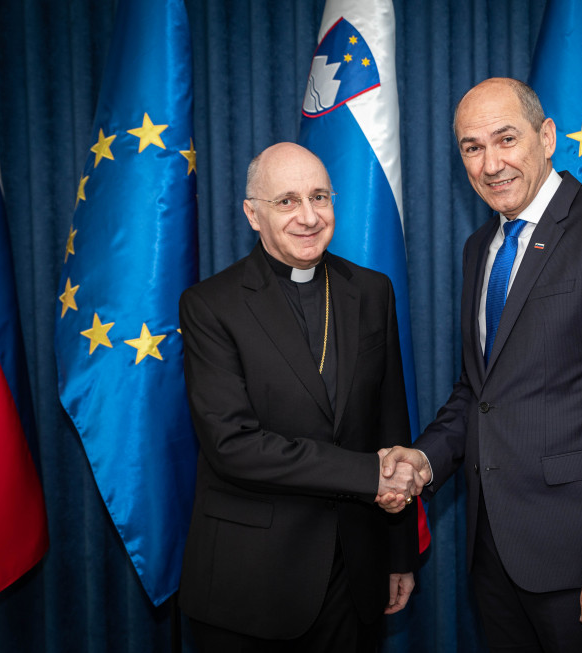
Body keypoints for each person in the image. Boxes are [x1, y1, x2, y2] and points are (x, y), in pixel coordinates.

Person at [380, 78, 582, 652]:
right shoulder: (478, 248)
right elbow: (479, 393)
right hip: (493, 557)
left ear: (546, 136)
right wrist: (422, 458)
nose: (491, 163)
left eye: (505, 139)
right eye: (472, 147)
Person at [178, 142, 422, 652]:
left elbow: (390, 423)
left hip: (354, 572)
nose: (309, 217)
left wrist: (398, 553)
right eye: (287, 201)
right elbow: (232, 446)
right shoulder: (210, 305)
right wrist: (367, 475)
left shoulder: (371, 291)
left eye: (319, 197)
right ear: (252, 213)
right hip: (251, 583)